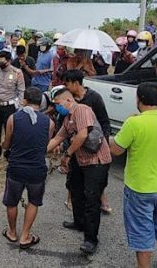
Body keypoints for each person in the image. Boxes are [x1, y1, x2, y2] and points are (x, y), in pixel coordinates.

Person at [109, 82, 157, 268]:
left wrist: (108, 138)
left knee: (142, 230)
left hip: (140, 187)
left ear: (139, 99)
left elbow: (116, 149)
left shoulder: (134, 122)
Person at [46, 88, 111, 255]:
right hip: (80, 160)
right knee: (75, 190)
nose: (57, 107)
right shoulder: (67, 117)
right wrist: (39, 152)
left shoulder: (81, 110)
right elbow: (58, 138)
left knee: (91, 198)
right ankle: (79, 222)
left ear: (68, 100)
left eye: (58, 104)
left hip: (96, 161)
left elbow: (82, 135)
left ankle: (90, 239)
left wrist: (67, 154)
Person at [1, 87, 55, 249]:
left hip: (16, 168)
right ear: (41, 103)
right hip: (37, 169)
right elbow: (45, 145)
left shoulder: (13, 118)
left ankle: (12, 232)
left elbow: (7, 144)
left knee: (12, 202)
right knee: (33, 202)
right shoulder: (49, 123)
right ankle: (25, 236)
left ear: (24, 101)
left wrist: (4, 145)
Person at [63, 69, 112, 214]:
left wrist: (103, 141)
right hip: (75, 146)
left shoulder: (94, 98)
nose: (66, 86)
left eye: (68, 83)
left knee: (95, 179)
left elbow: (104, 121)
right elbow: (63, 123)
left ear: (76, 83)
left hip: (93, 147)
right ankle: (72, 200)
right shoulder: (68, 99)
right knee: (73, 177)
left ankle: (101, 200)